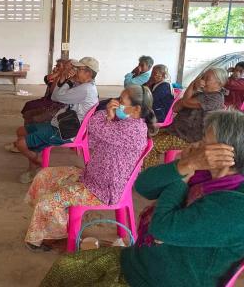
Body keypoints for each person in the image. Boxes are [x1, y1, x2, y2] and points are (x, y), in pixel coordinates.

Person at [40, 109, 244, 287]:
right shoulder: (204, 174)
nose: (197, 144)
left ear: (226, 153)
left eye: (205, 142)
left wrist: (182, 179)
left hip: (160, 280)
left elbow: (162, 227)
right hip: (141, 259)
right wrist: (183, 166)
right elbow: (144, 186)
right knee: (64, 267)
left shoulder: (235, 207)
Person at [25, 85, 156, 250]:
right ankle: (46, 226)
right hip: (92, 176)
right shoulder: (124, 122)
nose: (116, 103)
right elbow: (94, 138)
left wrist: (107, 114)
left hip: (103, 189)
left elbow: (93, 124)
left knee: (48, 202)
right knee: (45, 175)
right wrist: (109, 117)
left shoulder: (134, 130)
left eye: (121, 101)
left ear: (136, 109)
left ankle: (56, 237)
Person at [14, 58, 99, 184]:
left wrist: (68, 79)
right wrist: (67, 78)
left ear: (88, 73)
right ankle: (34, 165)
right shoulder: (84, 85)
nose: (75, 71)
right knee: (21, 131)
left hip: (64, 131)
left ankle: (40, 163)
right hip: (59, 123)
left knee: (21, 144)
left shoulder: (86, 89)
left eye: (79, 69)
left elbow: (56, 96)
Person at [144, 67, 227, 168]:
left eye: (207, 78)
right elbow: (176, 108)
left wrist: (192, 85)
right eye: (203, 77)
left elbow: (186, 102)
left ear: (219, 82)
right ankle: (146, 168)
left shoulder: (216, 99)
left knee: (153, 146)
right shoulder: (201, 94)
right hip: (176, 130)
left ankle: (148, 174)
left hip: (189, 137)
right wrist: (191, 92)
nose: (203, 81)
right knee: (146, 138)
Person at [20, 59, 66, 125]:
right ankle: (27, 128)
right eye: (56, 65)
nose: (57, 67)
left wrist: (60, 75)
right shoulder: (55, 76)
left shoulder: (65, 79)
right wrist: (58, 73)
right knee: (28, 105)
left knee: (31, 108)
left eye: (59, 66)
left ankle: (29, 128)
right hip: (48, 99)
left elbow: (52, 91)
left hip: (55, 101)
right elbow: (47, 79)